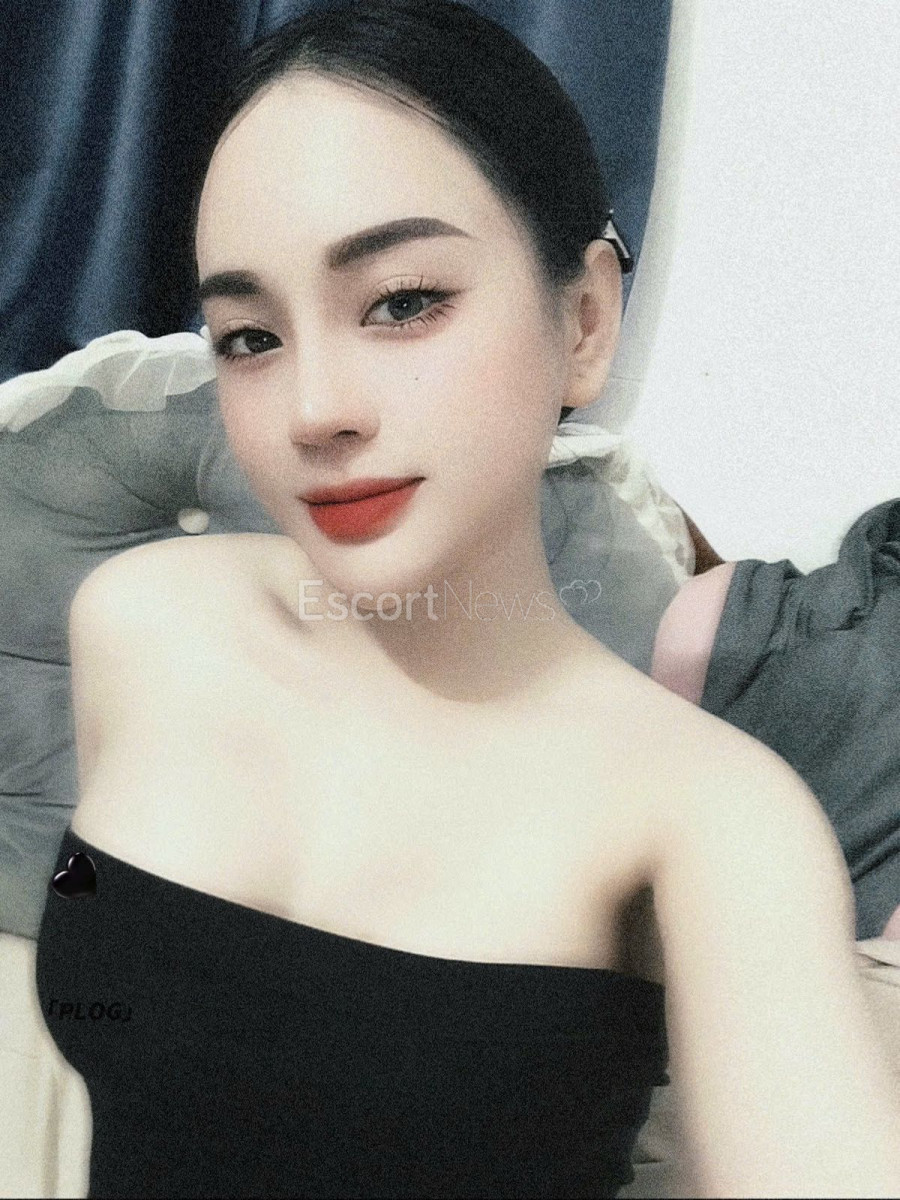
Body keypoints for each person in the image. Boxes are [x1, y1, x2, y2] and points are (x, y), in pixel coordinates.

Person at [33, 1, 900, 1196]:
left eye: (402, 302)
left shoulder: (708, 815)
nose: (315, 410)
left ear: (583, 320)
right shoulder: (145, 621)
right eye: (248, 336)